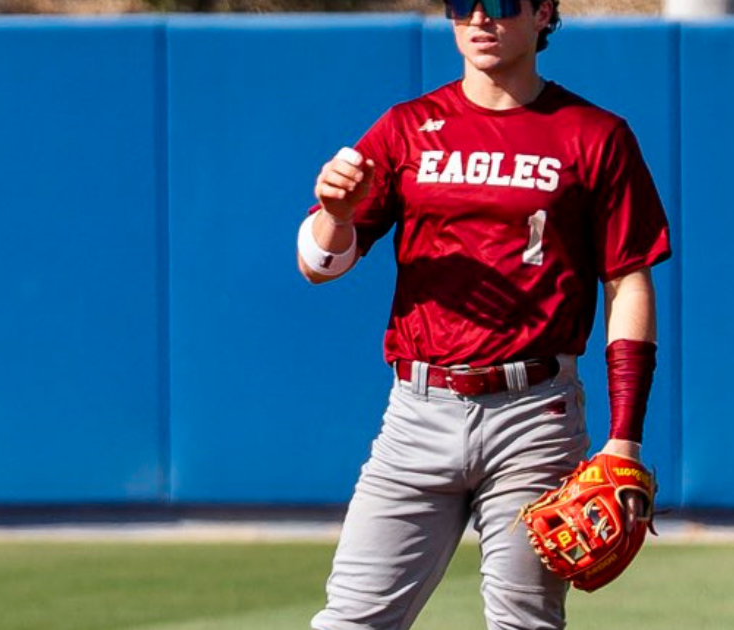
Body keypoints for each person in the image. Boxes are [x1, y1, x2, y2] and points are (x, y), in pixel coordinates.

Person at [296, 0, 671, 627]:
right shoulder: (407, 128)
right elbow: (319, 264)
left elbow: (627, 281)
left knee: (524, 624)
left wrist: (625, 437)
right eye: (460, 4)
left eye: (500, 4)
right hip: (417, 412)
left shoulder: (594, 134)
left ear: (544, 13)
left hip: (535, 414)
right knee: (348, 621)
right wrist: (334, 213)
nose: (479, 18)